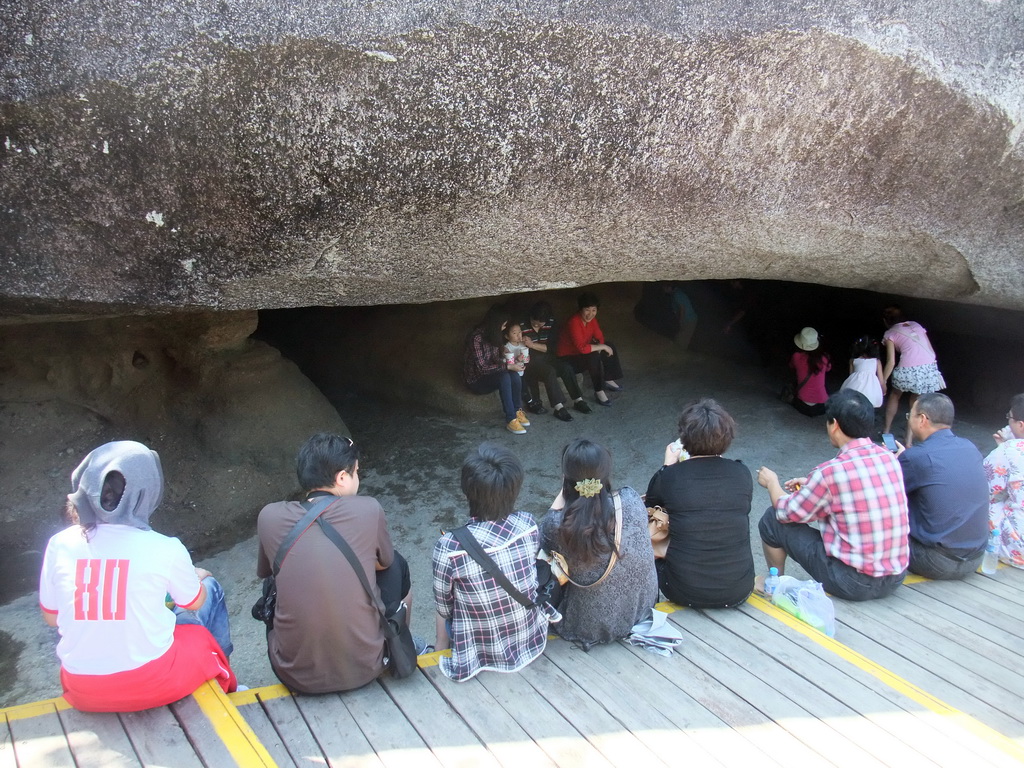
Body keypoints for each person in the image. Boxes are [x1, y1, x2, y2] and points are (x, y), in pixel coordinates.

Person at [39, 441, 236, 712]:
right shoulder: (164, 547)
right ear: (148, 492)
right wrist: (195, 576)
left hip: (82, 690)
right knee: (208, 594)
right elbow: (194, 602)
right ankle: (222, 684)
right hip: (152, 682)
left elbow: (52, 617)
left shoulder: (59, 544)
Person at [256, 433, 418, 693]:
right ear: (342, 477)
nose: (358, 478)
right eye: (356, 472)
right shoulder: (368, 509)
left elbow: (266, 573)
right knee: (397, 565)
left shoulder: (269, 516)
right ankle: (399, 643)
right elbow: (384, 563)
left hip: (293, 674)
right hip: (367, 667)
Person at [757, 390, 909, 601]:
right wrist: (812, 485)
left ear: (834, 425)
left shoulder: (830, 473)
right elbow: (858, 491)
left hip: (853, 582)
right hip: (894, 578)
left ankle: (775, 585)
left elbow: (786, 512)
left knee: (771, 520)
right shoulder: (889, 458)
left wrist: (772, 482)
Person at [432, 443, 557, 681]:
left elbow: (445, 608)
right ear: (515, 488)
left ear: (466, 490)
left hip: (482, 651)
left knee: (443, 609)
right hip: (529, 638)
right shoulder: (527, 524)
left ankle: (440, 649)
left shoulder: (449, 546)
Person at [540, 439, 658, 649]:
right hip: (640, 609)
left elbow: (544, 545)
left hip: (589, 624)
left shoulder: (556, 526)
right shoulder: (630, 498)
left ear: (566, 478)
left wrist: (565, 488)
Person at [645, 399, 754, 607]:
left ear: (684, 439)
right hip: (738, 589)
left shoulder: (671, 476)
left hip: (683, 590)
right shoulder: (741, 473)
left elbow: (650, 505)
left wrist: (667, 465)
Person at [896, 393, 988, 579]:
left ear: (922, 419)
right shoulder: (970, 447)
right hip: (975, 558)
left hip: (934, 561)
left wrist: (895, 463)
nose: (909, 420)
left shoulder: (916, 457)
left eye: (910, 415)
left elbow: (888, 495)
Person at [882, 305, 946, 446]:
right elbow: (931, 350)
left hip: (908, 369)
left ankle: (886, 431)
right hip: (928, 369)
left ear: (886, 321)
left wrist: (883, 381)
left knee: (895, 395)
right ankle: (908, 441)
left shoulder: (890, 333)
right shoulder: (917, 325)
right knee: (915, 404)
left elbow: (891, 361)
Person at [464, 304, 531, 434]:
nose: (504, 327)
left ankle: (518, 410)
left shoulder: (495, 334)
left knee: (514, 374)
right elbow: (482, 368)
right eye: (503, 324)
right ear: (495, 323)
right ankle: (511, 419)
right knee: (504, 376)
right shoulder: (476, 337)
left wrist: (515, 360)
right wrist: (507, 366)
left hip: (493, 372)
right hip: (477, 380)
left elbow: (497, 359)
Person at [521, 301, 591, 421]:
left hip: (548, 356)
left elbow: (553, 348)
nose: (537, 326)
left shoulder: (551, 323)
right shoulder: (521, 324)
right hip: (530, 362)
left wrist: (532, 345)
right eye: (534, 323)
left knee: (566, 367)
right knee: (549, 371)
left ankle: (578, 400)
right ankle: (559, 408)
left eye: (540, 324)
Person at [557, 292, 624, 407]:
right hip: (568, 359)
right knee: (594, 355)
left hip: (580, 353)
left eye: (594, 310)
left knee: (609, 345)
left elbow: (599, 337)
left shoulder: (592, 320)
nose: (590, 314)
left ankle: (608, 379)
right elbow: (582, 348)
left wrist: (601, 346)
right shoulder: (574, 322)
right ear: (580, 309)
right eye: (587, 310)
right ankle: (599, 391)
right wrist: (600, 347)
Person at [984, 394, 1024, 569]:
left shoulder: (1010, 450)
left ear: (1021, 425)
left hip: (1018, 547)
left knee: (986, 504)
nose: (1008, 423)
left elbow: (985, 489)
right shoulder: (1010, 448)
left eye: (1009, 418)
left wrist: (1003, 448)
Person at [633, 282, 698, 351]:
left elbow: (682, 308)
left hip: (689, 320)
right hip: (688, 319)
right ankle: (678, 354)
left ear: (669, 287)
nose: (664, 290)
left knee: (682, 340)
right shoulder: (676, 293)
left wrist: (680, 321)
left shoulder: (677, 294)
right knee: (680, 338)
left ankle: (679, 355)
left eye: (664, 288)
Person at [789, 327, 831, 417]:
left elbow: (791, 367)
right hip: (822, 406)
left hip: (802, 406)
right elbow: (828, 369)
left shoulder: (796, 356)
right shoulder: (825, 358)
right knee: (821, 378)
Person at [840, 336, 885, 409]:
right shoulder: (876, 361)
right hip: (871, 388)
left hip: (854, 385)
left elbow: (851, 375)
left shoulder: (853, 360)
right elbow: (881, 380)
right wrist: (883, 390)